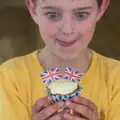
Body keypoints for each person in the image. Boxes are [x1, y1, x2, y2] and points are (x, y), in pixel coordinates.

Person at [0, 0, 120, 119]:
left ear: (101, 9)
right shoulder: (9, 77)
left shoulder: (116, 78)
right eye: (52, 15)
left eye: (81, 15)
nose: (67, 30)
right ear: (32, 8)